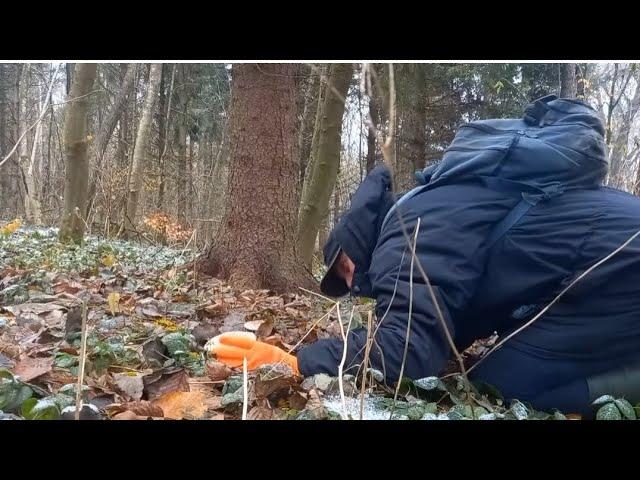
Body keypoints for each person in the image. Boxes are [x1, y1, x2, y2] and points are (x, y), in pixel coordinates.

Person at [209, 96, 640, 415]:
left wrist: (295, 361)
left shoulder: (407, 232)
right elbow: (444, 324)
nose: (353, 284)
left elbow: (409, 353)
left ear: (355, 251)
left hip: (624, 265)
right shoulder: (433, 204)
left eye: (344, 270)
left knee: (505, 382)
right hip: (615, 262)